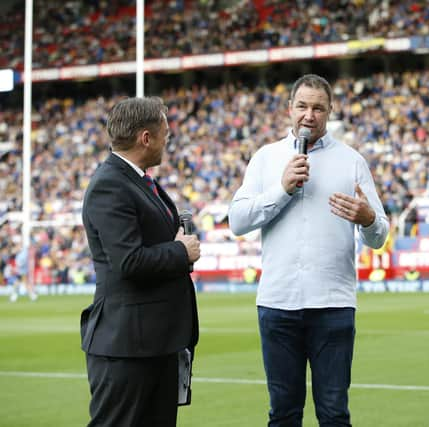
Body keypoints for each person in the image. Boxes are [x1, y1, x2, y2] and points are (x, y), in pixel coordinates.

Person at [228, 74, 389, 427]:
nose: (309, 115)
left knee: (333, 413)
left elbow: (380, 237)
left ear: (329, 112)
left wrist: (368, 218)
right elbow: (237, 221)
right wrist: (281, 189)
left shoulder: (352, 161)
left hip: (332, 305)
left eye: (318, 108)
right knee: (283, 414)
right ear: (289, 109)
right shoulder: (266, 158)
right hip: (278, 303)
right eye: (302, 106)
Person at [80, 97, 200, 427]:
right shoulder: (110, 184)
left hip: (155, 342)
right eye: (165, 133)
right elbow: (128, 261)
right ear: (145, 138)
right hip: (127, 346)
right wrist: (181, 252)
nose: (168, 140)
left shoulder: (138, 179)